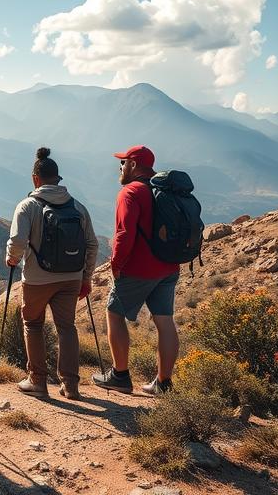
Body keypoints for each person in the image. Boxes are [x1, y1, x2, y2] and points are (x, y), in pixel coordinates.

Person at [6, 147, 99, 400]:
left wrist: (12, 259)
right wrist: (86, 277)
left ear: (35, 179)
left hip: (37, 279)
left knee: (33, 324)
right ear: (57, 179)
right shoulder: (78, 207)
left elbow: (17, 240)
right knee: (66, 327)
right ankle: (70, 385)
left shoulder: (27, 206)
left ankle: (37, 381)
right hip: (71, 277)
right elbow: (92, 244)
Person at [93, 145, 180, 395]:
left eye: (123, 163)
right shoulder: (162, 192)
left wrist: (116, 265)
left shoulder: (130, 192)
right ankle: (163, 384)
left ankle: (119, 376)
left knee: (114, 313)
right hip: (168, 267)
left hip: (139, 269)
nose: (120, 168)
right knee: (165, 322)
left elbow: (124, 233)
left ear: (133, 165)